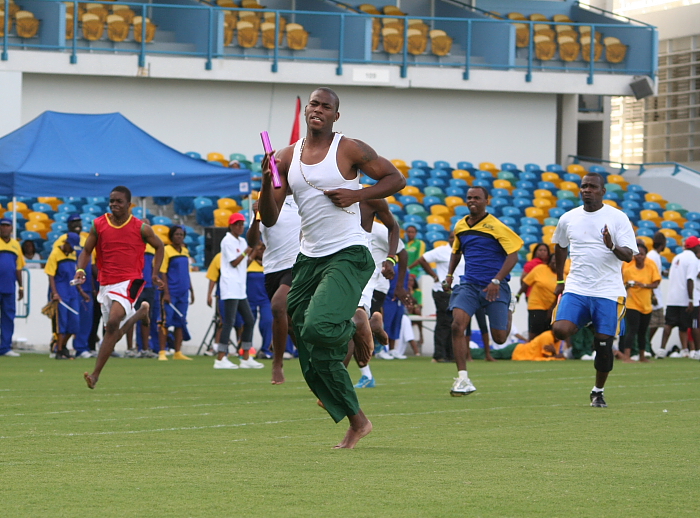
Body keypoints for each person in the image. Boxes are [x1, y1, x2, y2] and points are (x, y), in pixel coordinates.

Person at [259, 87, 405, 448]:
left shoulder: (349, 148)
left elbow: (395, 179)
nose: (318, 109)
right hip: (308, 258)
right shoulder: (285, 156)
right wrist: (266, 180)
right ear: (307, 110)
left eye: (326, 106)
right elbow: (270, 216)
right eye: (313, 104)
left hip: (348, 253)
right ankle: (358, 421)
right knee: (307, 342)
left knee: (320, 326)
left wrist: (358, 194)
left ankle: (358, 324)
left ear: (335, 115)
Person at [551, 172, 637, 408]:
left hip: (607, 291)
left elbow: (629, 255)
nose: (587, 190)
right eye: (583, 186)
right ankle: (587, 319)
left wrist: (611, 245)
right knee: (560, 330)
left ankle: (598, 391)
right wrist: (560, 279)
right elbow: (559, 246)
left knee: (603, 345)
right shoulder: (568, 218)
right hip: (577, 287)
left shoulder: (617, 218)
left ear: (602, 191)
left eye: (592, 186)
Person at [75, 186, 165, 389]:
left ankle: (95, 375)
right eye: (112, 201)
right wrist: (80, 269)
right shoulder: (98, 225)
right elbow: (86, 250)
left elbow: (160, 246)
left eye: (119, 201)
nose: (114, 204)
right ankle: (141, 313)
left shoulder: (141, 227)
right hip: (106, 283)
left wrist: (154, 273)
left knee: (114, 320)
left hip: (130, 281)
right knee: (112, 331)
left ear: (129, 204)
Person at [444, 186, 523, 395]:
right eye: (469, 197)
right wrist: (449, 276)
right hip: (469, 285)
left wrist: (497, 280)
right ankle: (462, 379)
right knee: (457, 325)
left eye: (477, 198)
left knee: (499, 338)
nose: (472, 201)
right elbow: (456, 252)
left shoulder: (496, 226)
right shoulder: (460, 226)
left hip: (494, 288)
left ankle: (508, 308)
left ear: (486, 201)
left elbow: (513, 255)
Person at [247, 196, 301, 384]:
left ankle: (277, 364)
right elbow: (252, 241)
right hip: (271, 270)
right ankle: (311, 364)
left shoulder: (301, 197)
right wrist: (256, 217)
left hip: (297, 265)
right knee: (290, 322)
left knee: (278, 306)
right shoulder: (266, 203)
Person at [214, 212, 264, 369]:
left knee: (249, 320)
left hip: (240, 288)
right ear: (231, 225)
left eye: (242, 224)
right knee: (228, 322)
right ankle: (221, 358)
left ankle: (246, 356)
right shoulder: (227, 241)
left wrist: (253, 252)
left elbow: (244, 264)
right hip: (230, 287)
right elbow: (235, 262)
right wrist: (247, 251)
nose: (240, 226)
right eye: (237, 224)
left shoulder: (242, 241)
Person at [410, 231, 465, 362]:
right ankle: (439, 355)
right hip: (442, 290)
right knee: (444, 322)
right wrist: (435, 277)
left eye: (456, 238)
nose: (454, 240)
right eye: (452, 237)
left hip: (459, 291)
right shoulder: (442, 251)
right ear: (448, 239)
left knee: (455, 322)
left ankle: (451, 354)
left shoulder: (464, 252)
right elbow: (422, 259)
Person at [45, 232, 89, 359]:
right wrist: (55, 293)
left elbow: (75, 276)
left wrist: (81, 291)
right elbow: (51, 275)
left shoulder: (74, 254)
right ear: (67, 243)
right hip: (61, 293)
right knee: (61, 323)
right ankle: (59, 350)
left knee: (75, 323)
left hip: (73, 293)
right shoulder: (55, 254)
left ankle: (62, 346)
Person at [658, 236, 700, 358]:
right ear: (695, 246)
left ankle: (661, 350)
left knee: (669, 325)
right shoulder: (692, 259)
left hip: (673, 298)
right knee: (694, 325)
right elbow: (690, 279)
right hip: (686, 299)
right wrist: (691, 299)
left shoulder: (677, 257)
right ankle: (697, 351)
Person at [158, 225, 195, 361]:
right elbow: (163, 272)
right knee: (165, 321)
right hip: (171, 291)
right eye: (176, 234)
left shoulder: (185, 251)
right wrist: (166, 293)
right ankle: (162, 351)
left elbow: (186, 272)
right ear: (171, 236)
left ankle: (177, 352)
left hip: (183, 292)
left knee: (181, 321)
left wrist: (191, 289)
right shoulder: (166, 250)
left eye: (181, 234)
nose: (179, 236)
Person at [621, 240, 661, 362]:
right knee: (632, 329)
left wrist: (642, 285)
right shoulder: (628, 268)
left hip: (646, 304)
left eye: (642, 254)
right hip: (632, 303)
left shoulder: (650, 266)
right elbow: (623, 284)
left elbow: (656, 283)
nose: (639, 256)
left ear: (645, 255)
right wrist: (629, 285)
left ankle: (642, 355)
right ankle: (627, 356)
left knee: (643, 332)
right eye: (637, 254)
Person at [519, 254, 559, 340]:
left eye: (558, 260)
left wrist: (552, 309)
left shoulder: (563, 276)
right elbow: (526, 283)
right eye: (553, 259)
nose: (555, 262)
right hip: (536, 305)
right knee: (535, 332)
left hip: (552, 308)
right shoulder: (540, 269)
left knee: (549, 334)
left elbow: (561, 294)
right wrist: (518, 295)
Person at [0, 218, 24, 357]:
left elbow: (19, 267)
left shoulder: (15, 245)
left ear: (11, 229)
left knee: (8, 317)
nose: (4, 228)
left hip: (9, 287)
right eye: (2, 226)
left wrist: (21, 287)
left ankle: (5, 347)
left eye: (7, 226)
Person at [471, 330, 565, 361]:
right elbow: (547, 355)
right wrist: (555, 354)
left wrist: (555, 354)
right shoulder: (547, 336)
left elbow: (554, 355)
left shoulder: (558, 339)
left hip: (519, 349)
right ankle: (469, 351)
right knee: (493, 354)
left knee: (495, 354)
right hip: (517, 350)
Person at [646, 232, 667, 346]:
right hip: (653, 294)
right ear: (663, 244)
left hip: (655, 292)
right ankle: (645, 344)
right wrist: (653, 295)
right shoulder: (653, 256)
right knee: (654, 323)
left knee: (657, 323)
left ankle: (646, 344)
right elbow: (649, 276)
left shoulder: (654, 255)